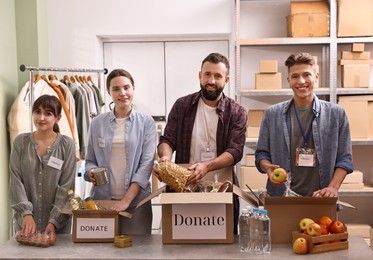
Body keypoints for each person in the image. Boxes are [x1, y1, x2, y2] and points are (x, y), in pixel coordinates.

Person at [154, 53, 248, 234]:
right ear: (200, 75)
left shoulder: (237, 112)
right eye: (207, 74)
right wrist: (165, 158)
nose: (211, 81)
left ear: (226, 80)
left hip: (222, 189)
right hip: (184, 187)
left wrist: (206, 166)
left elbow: (235, 151)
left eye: (218, 76)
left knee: (223, 249)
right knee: (182, 246)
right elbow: (168, 139)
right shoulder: (182, 106)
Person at [255, 52, 353, 198]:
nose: (301, 81)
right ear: (288, 80)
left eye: (306, 75)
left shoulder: (336, 114)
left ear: (316, 77)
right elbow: (262, 154)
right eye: (295, 76)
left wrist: (333, 188)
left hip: (322, 197)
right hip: (282, 197)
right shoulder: (272, 114)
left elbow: (345, 159)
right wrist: (267, 167)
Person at [84, 69, 157, 235]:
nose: (122, 93)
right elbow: (89, 161)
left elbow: (146, 166)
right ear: (109, 92)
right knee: (102, 252)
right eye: (116, 89)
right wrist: (92, 172)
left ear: (133, 89)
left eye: (126, 87)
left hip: (136, 203)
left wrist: (126, 200)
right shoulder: (97, 123)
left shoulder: (146, 123)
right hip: (102, 201)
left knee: (137, 251)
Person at [9, 95, 76, 236]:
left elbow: (67, 186)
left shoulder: (67, 144)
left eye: (48, 113)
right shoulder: (20, 142)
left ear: (58, 118)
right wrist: (26, 214)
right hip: (25, 224)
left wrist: (54, 221)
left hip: (58, 226)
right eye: (37, 112)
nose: (41, 117)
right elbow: (15, 180)